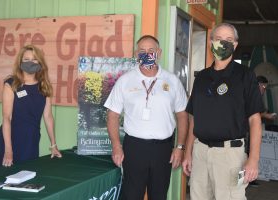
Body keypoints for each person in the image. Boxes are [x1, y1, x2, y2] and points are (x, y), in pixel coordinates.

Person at [182, 23, 264, 200]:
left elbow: (255, 120)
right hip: (201, 152)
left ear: (235, 45)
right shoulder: (202, 77)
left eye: (229, 40)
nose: (223, 44)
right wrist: (188, 152)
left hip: (230, 155)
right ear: (211, 42)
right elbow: (194, 119)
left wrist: (254, 159)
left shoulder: (245, 75)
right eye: (219, 39)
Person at [104, 35, 188, 200]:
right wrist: (116, 145)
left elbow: (182, 115)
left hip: (163, 149)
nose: (147, 54)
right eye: (142, 51)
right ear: (136, 54)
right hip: (134, 148)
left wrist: (180, 147)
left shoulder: (172, 80)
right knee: (131, 195)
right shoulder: (125, 80)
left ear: (159, 53)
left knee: (159, 195)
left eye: (151, 50)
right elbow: (112, 115)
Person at [0, 44, 62, 167]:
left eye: (34, 59)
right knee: (5, 177)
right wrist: (8, 150)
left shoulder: (44, 86)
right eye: (26, 59)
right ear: (20, 62)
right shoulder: (11, 84)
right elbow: (6, 118)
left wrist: (53, 145)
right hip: (11, 139)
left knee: (27, 177)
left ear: (40, 62)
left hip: (32, 139)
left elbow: (48, 116)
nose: (30, 62)